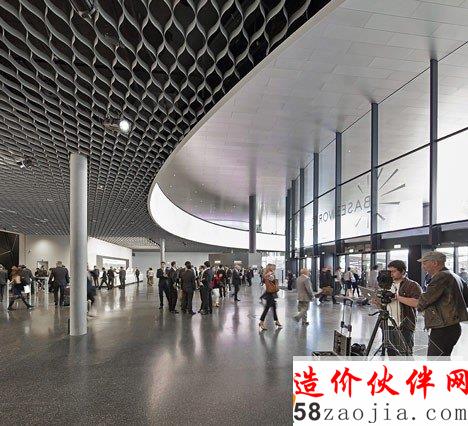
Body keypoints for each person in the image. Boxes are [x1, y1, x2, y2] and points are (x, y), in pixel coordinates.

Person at [399, 251, 468, 357]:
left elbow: (422, 302)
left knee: (435, 360)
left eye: (425, 263)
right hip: (452, 326)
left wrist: (398, 297)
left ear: (435, 263)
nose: (423, 267)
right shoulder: (454, 276)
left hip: (443, 329)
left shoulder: (441, 276)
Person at [372, 260, 421, 356]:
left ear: (402, 271)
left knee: (405, 354)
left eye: (393, 271)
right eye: (389, 271)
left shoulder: (412, 285)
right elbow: (383, 306)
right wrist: (377, 303)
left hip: (404, 325)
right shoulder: (385, 284)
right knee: (391, 353)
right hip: (387, 324)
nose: (390, 274)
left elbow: (417, 303)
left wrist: (397, 297)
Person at [259, 264, 282, 330]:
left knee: (273, 307)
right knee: (267, 308)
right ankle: (261, 322)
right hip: (270, 293)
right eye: (274, 267)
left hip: (269, 292)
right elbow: (273, 281)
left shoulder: (266, 274)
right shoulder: (270, 274)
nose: (275, 268)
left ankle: (276, 321)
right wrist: (275, 278)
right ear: (271, 268)